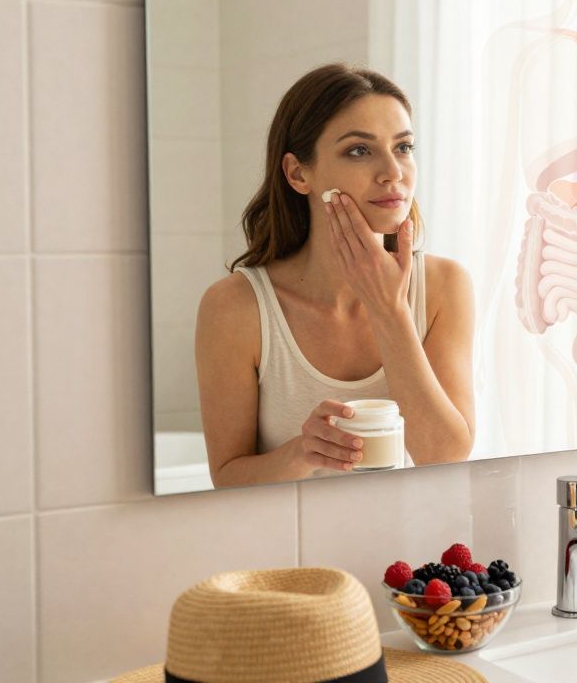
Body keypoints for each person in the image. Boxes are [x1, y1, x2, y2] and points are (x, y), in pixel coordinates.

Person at [196, 64, 475, 487]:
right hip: (291, 553)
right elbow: (228, 478)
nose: (393, 172)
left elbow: (444, 456)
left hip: (409, 548)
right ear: (298, 173)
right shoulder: (235, 307)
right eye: (360, 151)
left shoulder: (443, 287)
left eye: (403, 147)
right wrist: (300, 452)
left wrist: (389, 309)